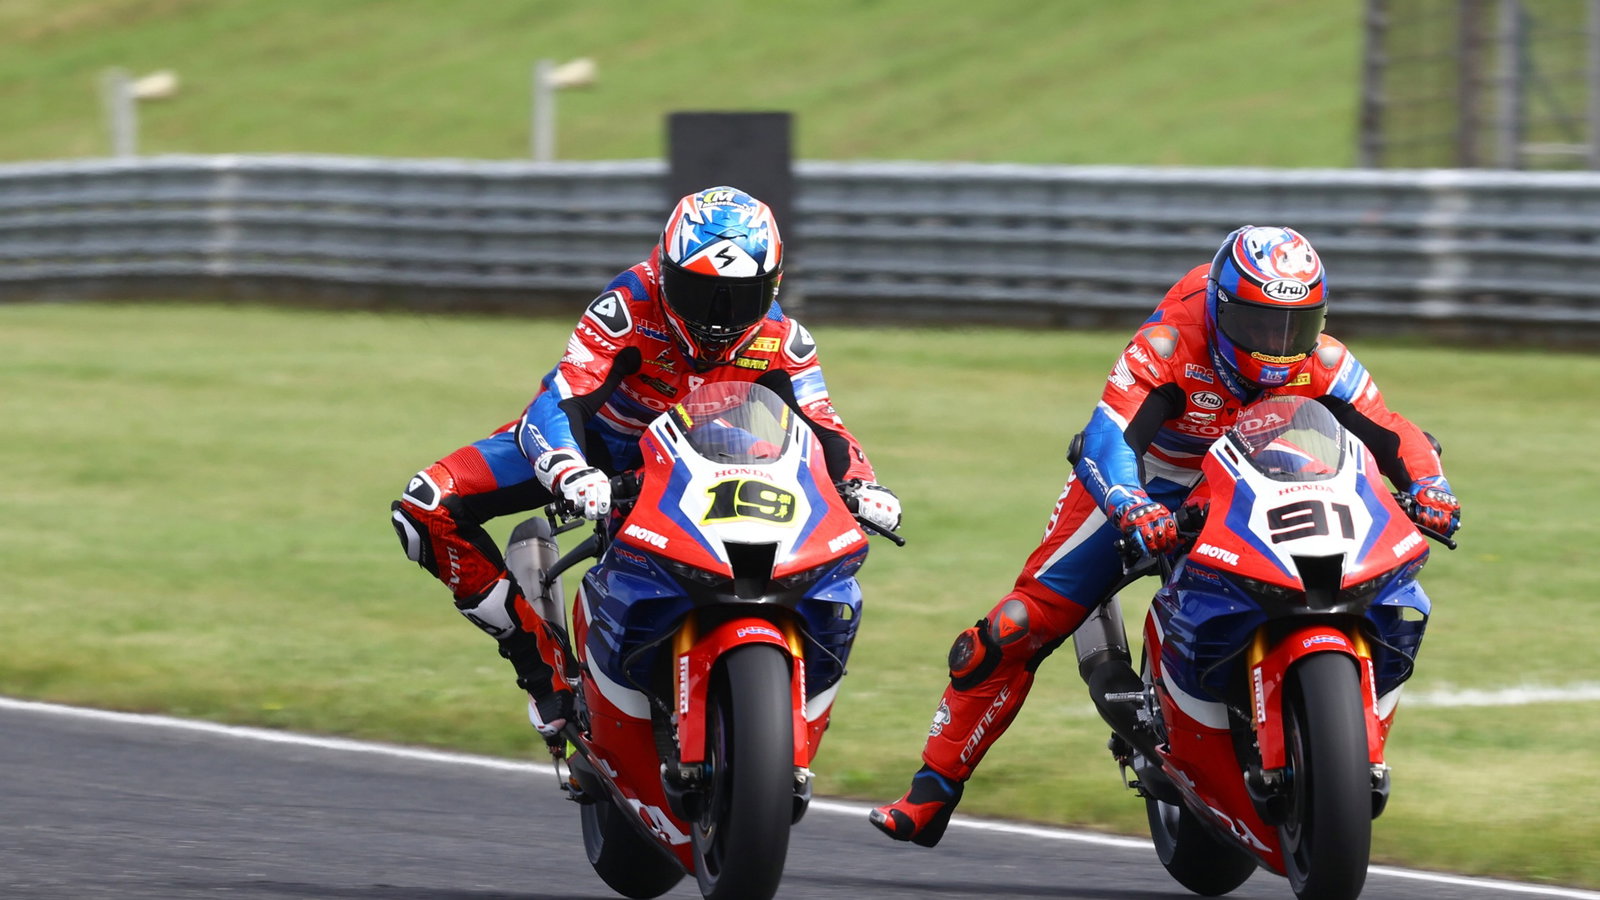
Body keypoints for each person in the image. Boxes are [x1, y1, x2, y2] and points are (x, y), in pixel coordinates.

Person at [869, 225, 1461, 846]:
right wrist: (1129, 503)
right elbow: (1106, 437)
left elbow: (1393, 431)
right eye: (1262, 326)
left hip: (1266, 473)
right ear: (1222, 310)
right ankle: (931, 791)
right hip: (1155, 479)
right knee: (1016, 627)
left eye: (1297, 326)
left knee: (1381, 578)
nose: (1280, 346)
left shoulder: (1325, 360)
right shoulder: (1168, 344)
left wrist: (1430, 486)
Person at [390, 186, 902, 750]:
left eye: (740, 298)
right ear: (664, 269)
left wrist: (861, 484)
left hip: (708, 453)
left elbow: (824, 425)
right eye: (699, 292)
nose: (717, 320)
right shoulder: (626, 305)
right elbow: (562, 396)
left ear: (773, 288)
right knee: (426, 506)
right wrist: (567, 467)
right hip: (601, 448)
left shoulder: (784, 338)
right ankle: (542, 668)